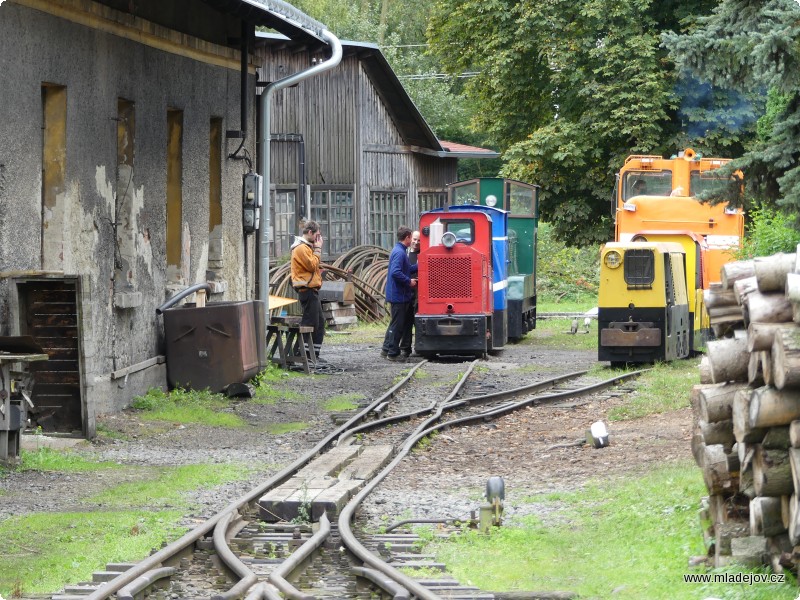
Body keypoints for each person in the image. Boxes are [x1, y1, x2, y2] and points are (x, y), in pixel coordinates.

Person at [381, 227, 418, 361]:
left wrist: (420, 264)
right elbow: (396, 272)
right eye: (411, 238)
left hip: (400, 294)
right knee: (397, 325)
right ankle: (392, 353)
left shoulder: (400, 251)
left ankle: (386, 350)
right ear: (407, 237)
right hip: (399, 295)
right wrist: (409, 281)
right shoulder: (400, 253)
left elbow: (406, 269)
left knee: (396, 323)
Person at [290, 221, 325, 362]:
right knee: (309, 323)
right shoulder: (301, 248)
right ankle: (301, 355)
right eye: (317, 235)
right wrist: (318, 249)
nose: (318, 239)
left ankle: (313, 355)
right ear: (310, 232)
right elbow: (312, 265)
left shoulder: (306, 248)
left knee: (319, 323)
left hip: (312, 289)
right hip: (307, 290)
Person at [399, 230, 421, 357]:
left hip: (419, 293)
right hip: (407, 292)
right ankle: (405, 347)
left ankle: (419, 346)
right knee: (406, 321)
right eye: (414, 239)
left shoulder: (422, 254)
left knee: (418, 321)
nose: (416, 242)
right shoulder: (404, 254)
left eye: (419, 240)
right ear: (410, 239)